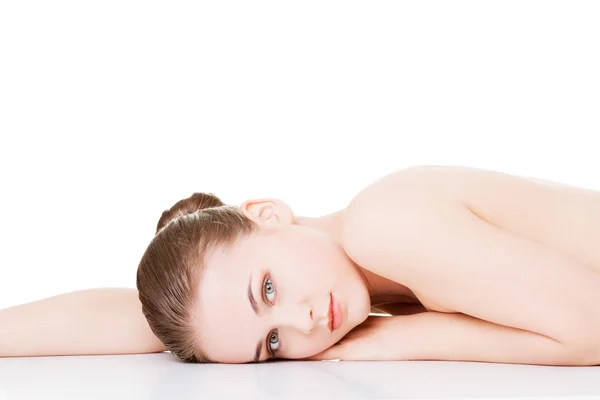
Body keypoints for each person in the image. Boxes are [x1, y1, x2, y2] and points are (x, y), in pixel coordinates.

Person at [1, 165, 600, 366]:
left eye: (269, 288)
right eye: (272, 344)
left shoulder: (381, 225)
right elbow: (145, 319)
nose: (306, 321)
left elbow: (591, 325)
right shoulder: (345, 273)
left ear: (267, 213)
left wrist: (399, 339)